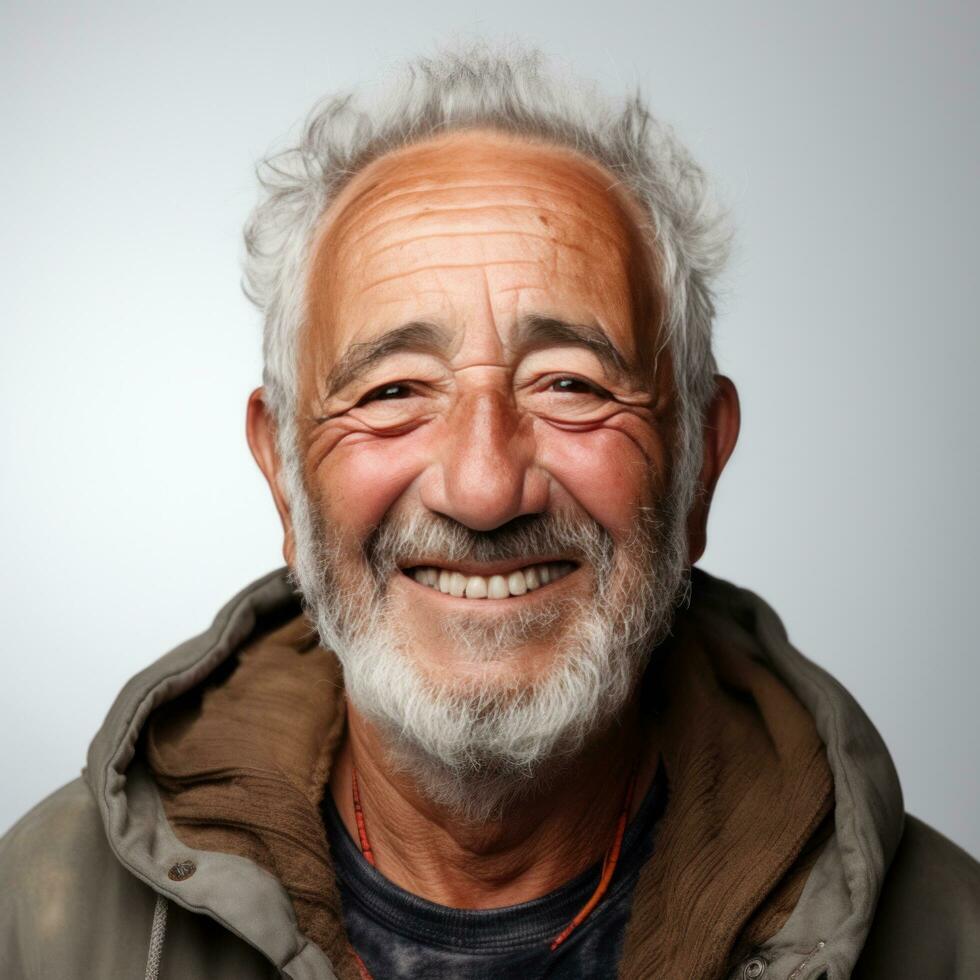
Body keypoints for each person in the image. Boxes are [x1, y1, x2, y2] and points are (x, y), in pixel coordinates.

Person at [1, 45, 977, 980]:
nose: (481, 486)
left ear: (698, 462)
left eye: (568, 382)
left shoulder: (948, 937)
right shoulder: (39, 920)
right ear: (282, 471)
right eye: (391, 390)